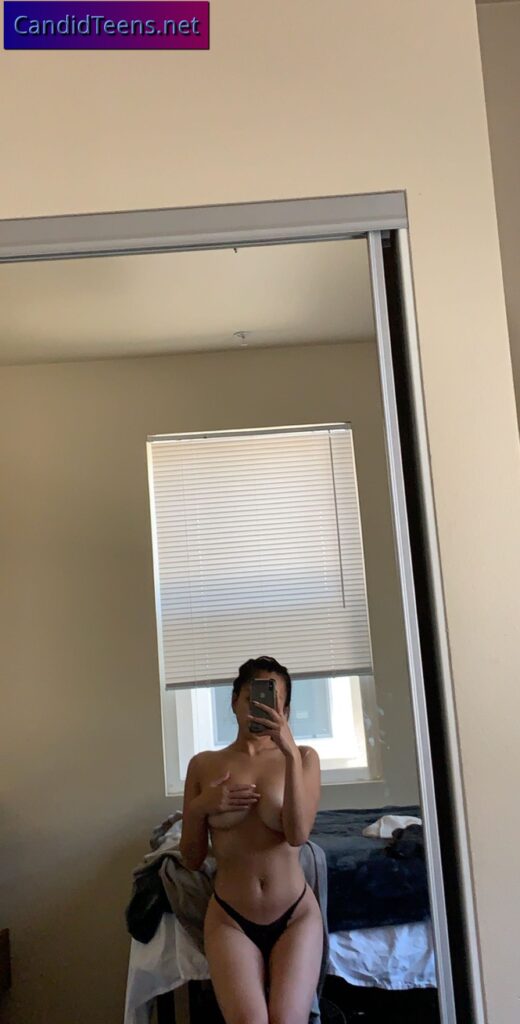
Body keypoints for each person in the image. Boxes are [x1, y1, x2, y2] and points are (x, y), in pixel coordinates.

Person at [180, 655, 323, 1024]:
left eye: (274, 702)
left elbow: (297, 835)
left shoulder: (304, 758)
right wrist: (200, 807)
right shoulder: (203, 765)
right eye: (251, 699)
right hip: (231, 918)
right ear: (234, 701)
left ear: (285, 711)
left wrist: (289, 754)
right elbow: (192, 858)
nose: (261, 709)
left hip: (295, 915)